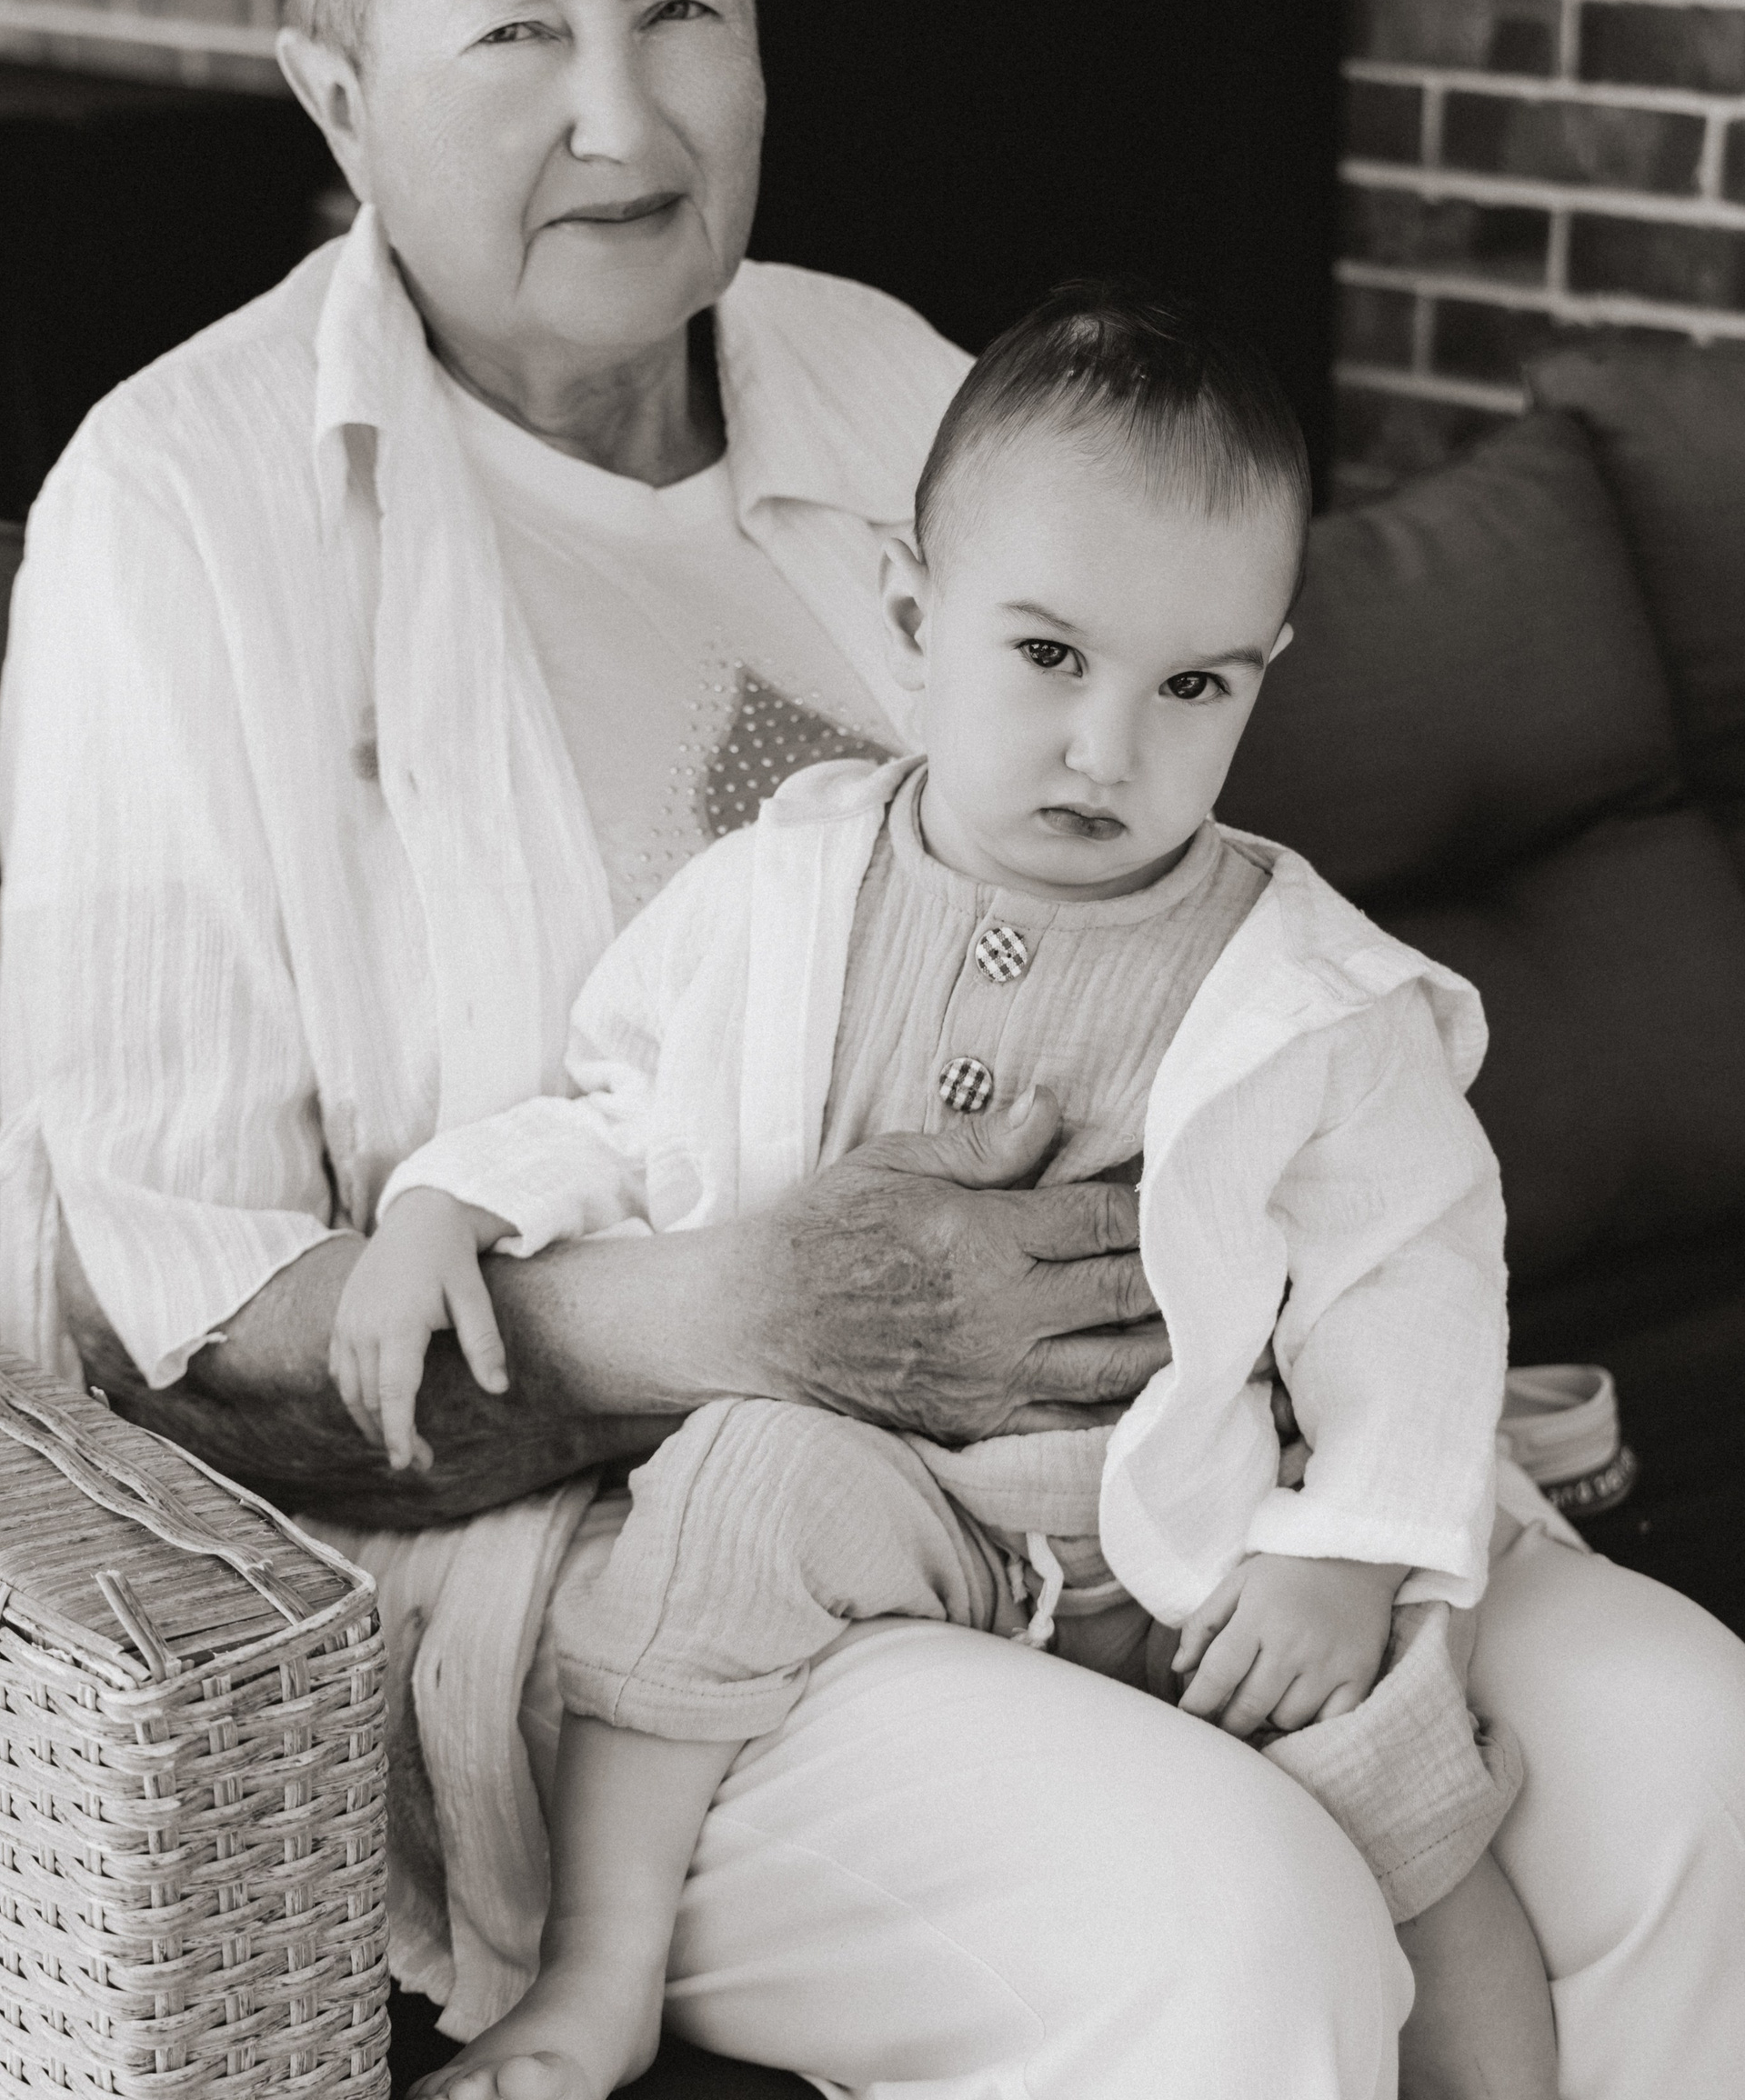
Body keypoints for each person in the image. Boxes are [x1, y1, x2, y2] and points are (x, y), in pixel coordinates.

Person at [0, 0, 1740, 2099]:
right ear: (336, 95)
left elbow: (1195, 954)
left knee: (1691, 1748)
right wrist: (730, 1317)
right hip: (634, 1577)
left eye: (681, 7)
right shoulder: (182, 519)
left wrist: (1353, 1439)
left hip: (1161, 1481)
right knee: (1219, 1921)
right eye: (514, 34)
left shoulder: (892, 379)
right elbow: (161, 1357)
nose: (623, 114)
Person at [336, 285, 1554, 2100]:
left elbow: (1415, 1276)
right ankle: (596, 1976)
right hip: (884, 1489)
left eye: (1192, 687)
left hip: (1177, 1524)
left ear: (1262, 674)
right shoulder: (785, 888)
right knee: (721, 1506)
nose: (1106, 749)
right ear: (914, 617)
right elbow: (626, 1104)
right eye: (1049, 656)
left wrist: (1347, 1549)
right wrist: (454, 1204)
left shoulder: (1308, 996)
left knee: (1411, 1809)